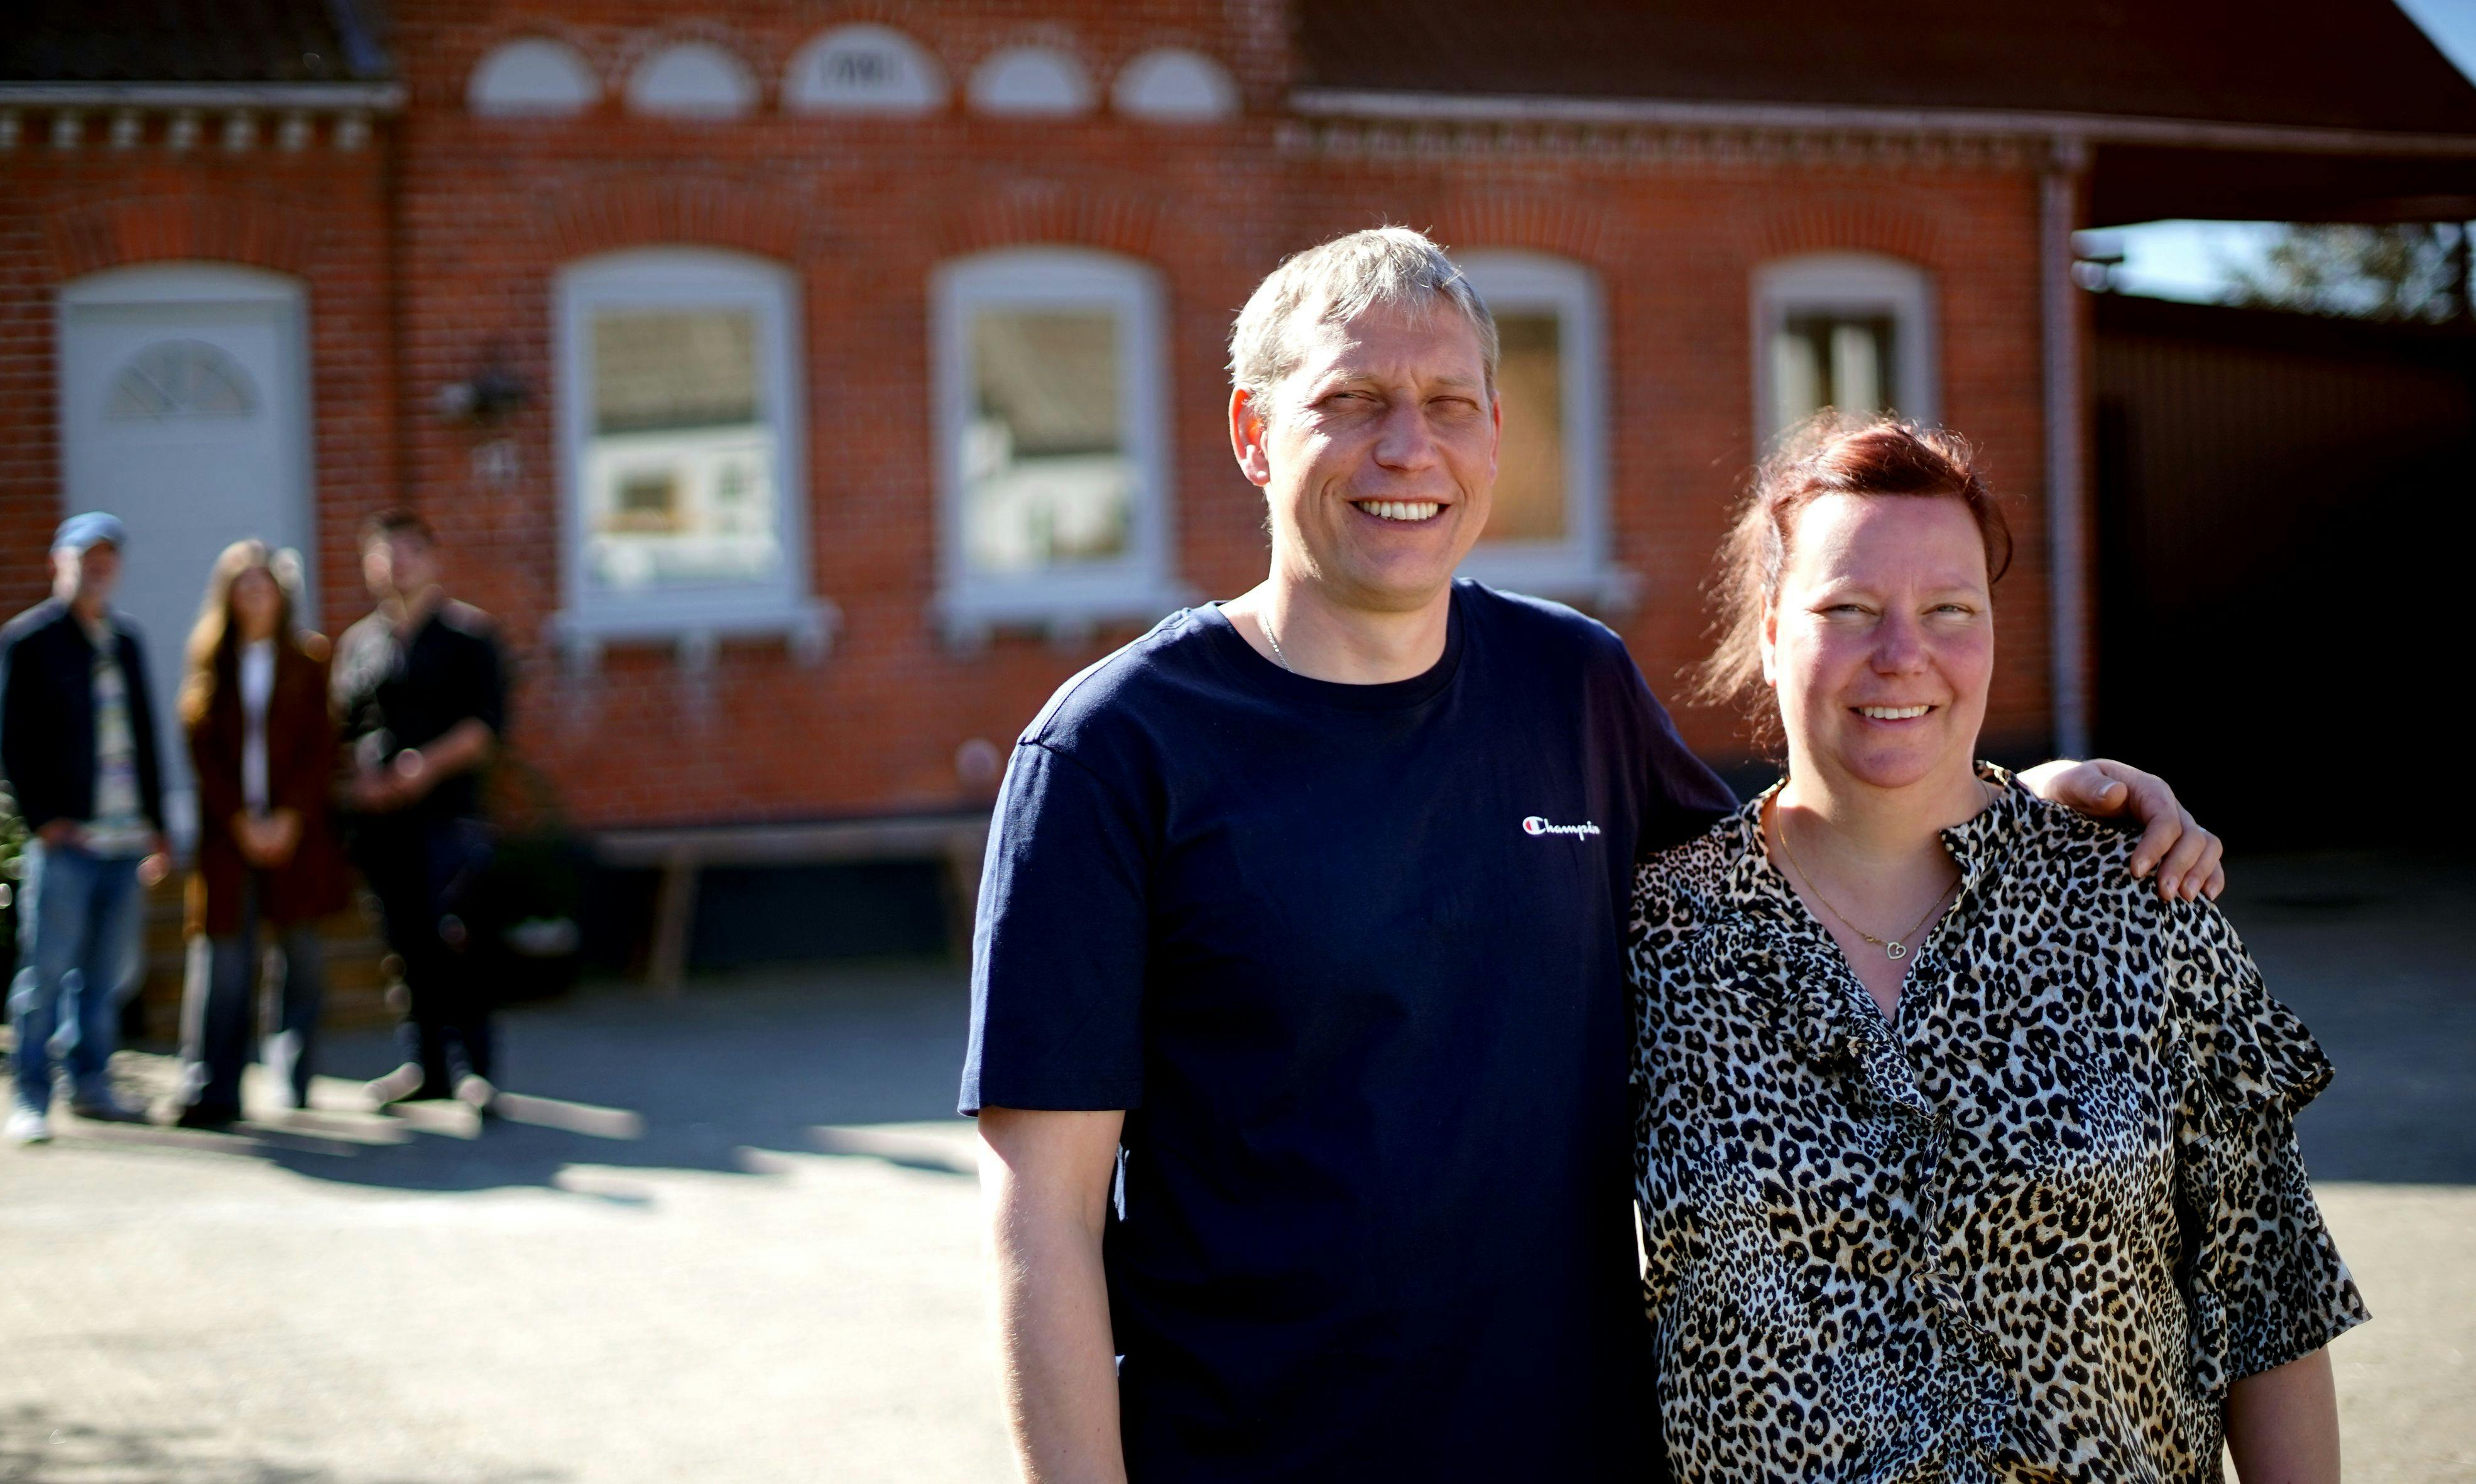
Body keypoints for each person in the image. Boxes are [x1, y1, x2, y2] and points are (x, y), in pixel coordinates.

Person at [959, 228, 2223, 1481]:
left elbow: (1794, 871)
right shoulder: (1114, 751)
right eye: (1350, 401)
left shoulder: (1570, 685)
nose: (1408, 446)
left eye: (1447, 402)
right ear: (1251, 432)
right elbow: (1042, 1222)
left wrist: (2004, 800)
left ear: (1493, 434)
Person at [1627, 417, 2364, 1481]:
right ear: (1773, 625)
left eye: (1947, 610)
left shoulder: (2137, 907)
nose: (1901, 654)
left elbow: (2267, 1300)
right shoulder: (1657, 937)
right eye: (1848, 609)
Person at [0, 511, 172, 1144]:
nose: (97, 567)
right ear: (57, 564)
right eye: (84, 556)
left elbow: (147, 739)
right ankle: (30, 1096)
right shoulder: (29, 641)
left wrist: (160, 826)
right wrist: (41, 821)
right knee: (46, 972)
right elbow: (6, 741)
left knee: (104, 977)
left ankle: (91, 1083)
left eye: (107, 557)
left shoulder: (126, 640)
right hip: (69, 843)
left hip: (125, 843)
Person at [332, 510, 508, 1115]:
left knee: (456, 938)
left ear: (432, 559)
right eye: (384, 552)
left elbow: (484, 729)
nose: (396, 562)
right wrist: (364, 779)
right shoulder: (360, 644)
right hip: (383, 823)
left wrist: (423, 768)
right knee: (403, 943)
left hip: (448, 816)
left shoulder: (469, 636)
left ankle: (474, 1072)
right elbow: (346, 727)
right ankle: (425, 1065)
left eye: (408, 550)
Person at [172, 540, 350, 1128]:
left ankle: (294, 1076)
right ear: (228, 598)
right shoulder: (211, 663)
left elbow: (321, 750)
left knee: (301, 957)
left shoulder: (310, 659)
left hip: (296, 835)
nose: (255, 596)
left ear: (281, 595)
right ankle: (212, 1086)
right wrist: (242, 821)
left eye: (264, 585)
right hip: (229, 838)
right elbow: (202, 751)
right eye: (243, 587)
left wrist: (290, 818)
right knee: (223, 962)